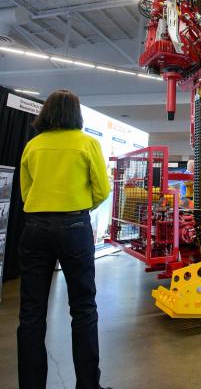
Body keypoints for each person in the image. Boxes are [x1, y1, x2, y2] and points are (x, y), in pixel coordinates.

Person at [18, 89, 112, 389]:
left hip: (34, 227)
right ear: (76, 114)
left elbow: (25, 191)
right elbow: (102, 189)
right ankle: (88, 385)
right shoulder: (87, 143)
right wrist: (79, 207)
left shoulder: (33, 145)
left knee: (31, 312)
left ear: (46, 112)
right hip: (74, 227)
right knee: (83, 308)